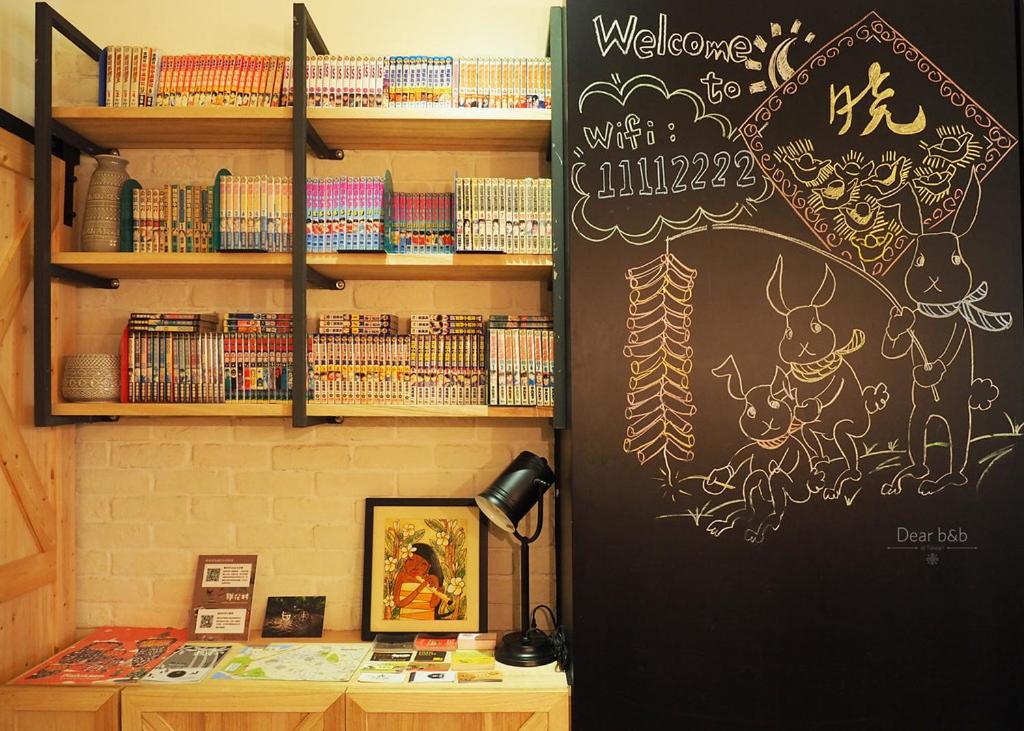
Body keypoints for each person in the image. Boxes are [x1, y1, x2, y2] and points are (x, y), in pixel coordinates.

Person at [392, 543, 452, 620]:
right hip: (406, 621)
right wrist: (421, 587)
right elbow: (398, 603)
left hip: (427, 620)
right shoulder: (402, 576)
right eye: (412, 560)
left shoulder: (432, 579)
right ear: (405, 561)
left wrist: (439, 593)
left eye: (423, 564)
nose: (416, 566)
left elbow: (432, 604)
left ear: (429, 567)